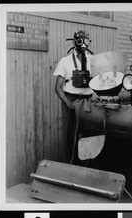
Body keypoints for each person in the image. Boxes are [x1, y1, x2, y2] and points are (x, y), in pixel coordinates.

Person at [53, 30, 94, 165]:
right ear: (74, 42)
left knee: (89, 135)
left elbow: (99, 82)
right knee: (70, 136)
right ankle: (70, 167)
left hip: (88, 103)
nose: (83, 44)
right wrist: (67, 103)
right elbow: (58, 88)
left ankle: (86, 168)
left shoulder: (93, 61)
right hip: (70, 101)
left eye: (85, 41)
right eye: (79, 41)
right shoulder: (65, 61)